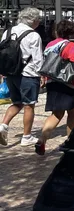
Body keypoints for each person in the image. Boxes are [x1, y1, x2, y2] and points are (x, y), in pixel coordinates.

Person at [35, 20, 74, 155]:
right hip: (69, 84)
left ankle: (42, 139)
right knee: (73, 114)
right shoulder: (71, 46)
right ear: (71, 32)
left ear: (57, 31)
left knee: (56, 114)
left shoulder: (50, 45)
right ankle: (71, 143)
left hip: (53, 83)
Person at [0, 8, 43, 147]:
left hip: (10, 74)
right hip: (28, 74)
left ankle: (3, 126)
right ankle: (27, 136)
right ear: (33, 20)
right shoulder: (34, 35)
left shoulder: (8, 31)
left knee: (17, 103)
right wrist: (42, 75)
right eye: (38, 19)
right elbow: (38, 59)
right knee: (29, 105)